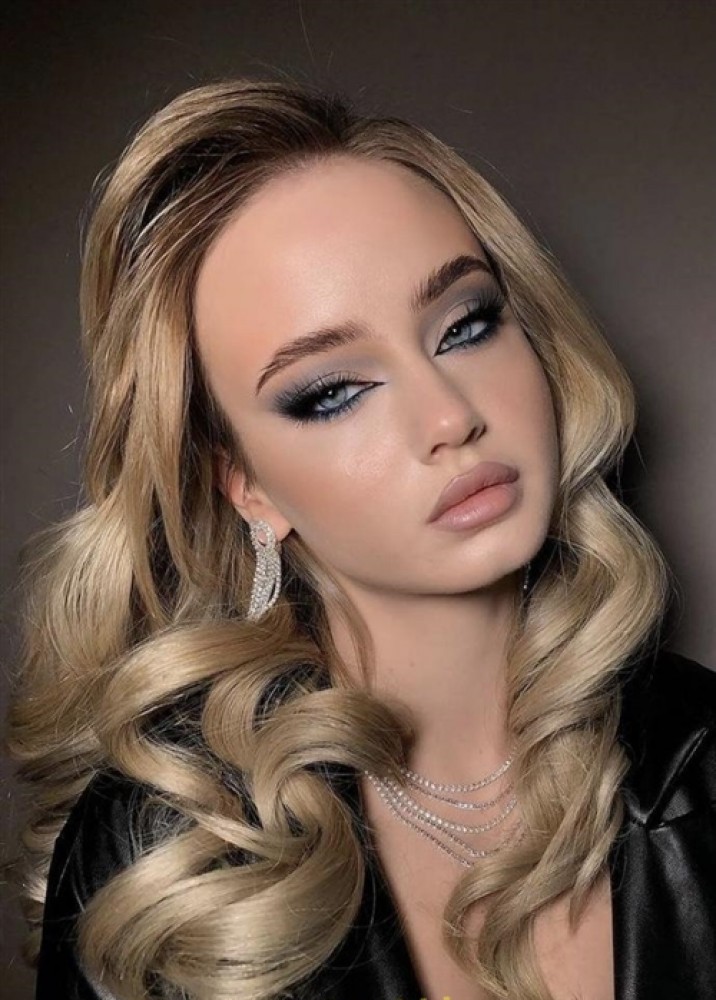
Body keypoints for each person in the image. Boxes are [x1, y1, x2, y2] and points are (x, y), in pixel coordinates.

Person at [5, 77, 715, 1000]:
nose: (450, 416)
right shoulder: (165, 857)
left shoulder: (700, 755)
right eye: (334, 391)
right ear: (246, 484)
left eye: (466, 326)